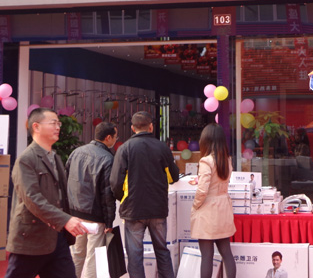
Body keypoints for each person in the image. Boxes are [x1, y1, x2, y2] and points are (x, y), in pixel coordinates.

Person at [6, 107, 86, 278]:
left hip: (56, 238)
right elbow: (32, 198)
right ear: (36, 127)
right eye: (53, 123)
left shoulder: (54, 157)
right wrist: (65, 220)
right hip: (31, 238)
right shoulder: (26, 159)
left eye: (59, 123)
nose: (58, 127)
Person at [110, 111, 180, 278]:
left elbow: (115, 182)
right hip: (158, 208)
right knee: (162, 250)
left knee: (135, 254)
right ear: (151, 127)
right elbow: (173, 176)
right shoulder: (162, 147)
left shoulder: (124, 148)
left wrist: (123, 198)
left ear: (133, 128)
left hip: (133, 209)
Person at [66, 121, 118, 278]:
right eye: (115, 137)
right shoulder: (107, 158)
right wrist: (109, 222)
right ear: (108, 138)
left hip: (74, 213)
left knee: (76, 254)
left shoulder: (76, 152)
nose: (116, 140)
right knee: (93, 257)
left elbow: (65, 180)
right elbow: (107, 194)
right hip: (95, 215)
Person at [190, 123, 237, 278]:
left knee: (207, 255)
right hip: (223, 207)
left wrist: (195, 205)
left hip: (208, 210)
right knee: (226, 253)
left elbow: (202, 190)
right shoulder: (227, 159)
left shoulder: (206, 161)